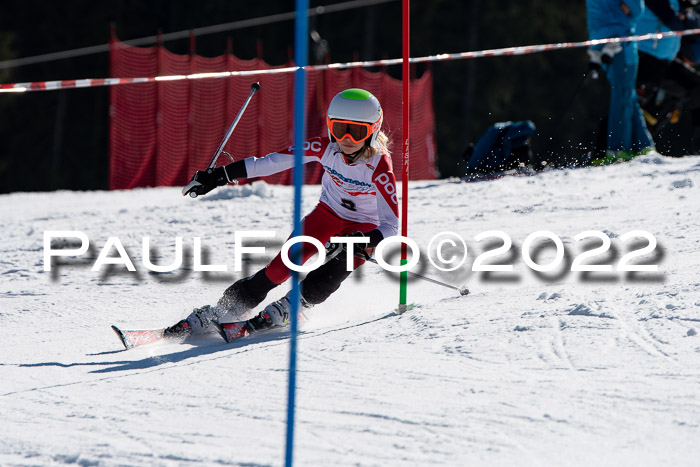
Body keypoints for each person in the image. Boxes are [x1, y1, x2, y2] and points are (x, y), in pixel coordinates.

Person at [165, 88, 399, 337]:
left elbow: (392, 226)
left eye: (358, 131)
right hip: (327, 215)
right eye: (341, 129)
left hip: (362, 227)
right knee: (279, 269)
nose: (348, 139)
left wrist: (361, 240)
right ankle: (222, 310)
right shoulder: (324, 148)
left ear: (373, 130)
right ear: (331, 126)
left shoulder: (379, 167)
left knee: (344, 259)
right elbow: (270, 162)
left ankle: (291, 307)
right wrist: (220, 175)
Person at [586, 0, 657, 165]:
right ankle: (619, 150)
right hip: (620, 42)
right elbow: (638, 10)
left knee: (626, 94)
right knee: (623, 95)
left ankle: (643, 145)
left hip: (599, 42)